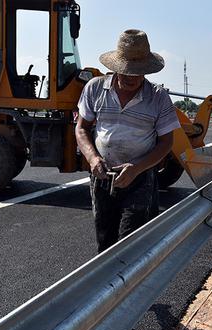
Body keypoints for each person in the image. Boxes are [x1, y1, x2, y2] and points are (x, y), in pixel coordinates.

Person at [76, 29, 180, 254]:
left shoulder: (158, 97)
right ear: (115, 68)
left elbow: (166, 143)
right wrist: (93, 158)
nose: (131, 78)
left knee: (132, 242)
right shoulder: (95, 88)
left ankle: (133, 287)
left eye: (137, 73)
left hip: (140, 177)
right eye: (126, 72)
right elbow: (82, 129)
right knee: (105, 240)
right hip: (103, 174)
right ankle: (108, 287)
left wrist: (136, 168)